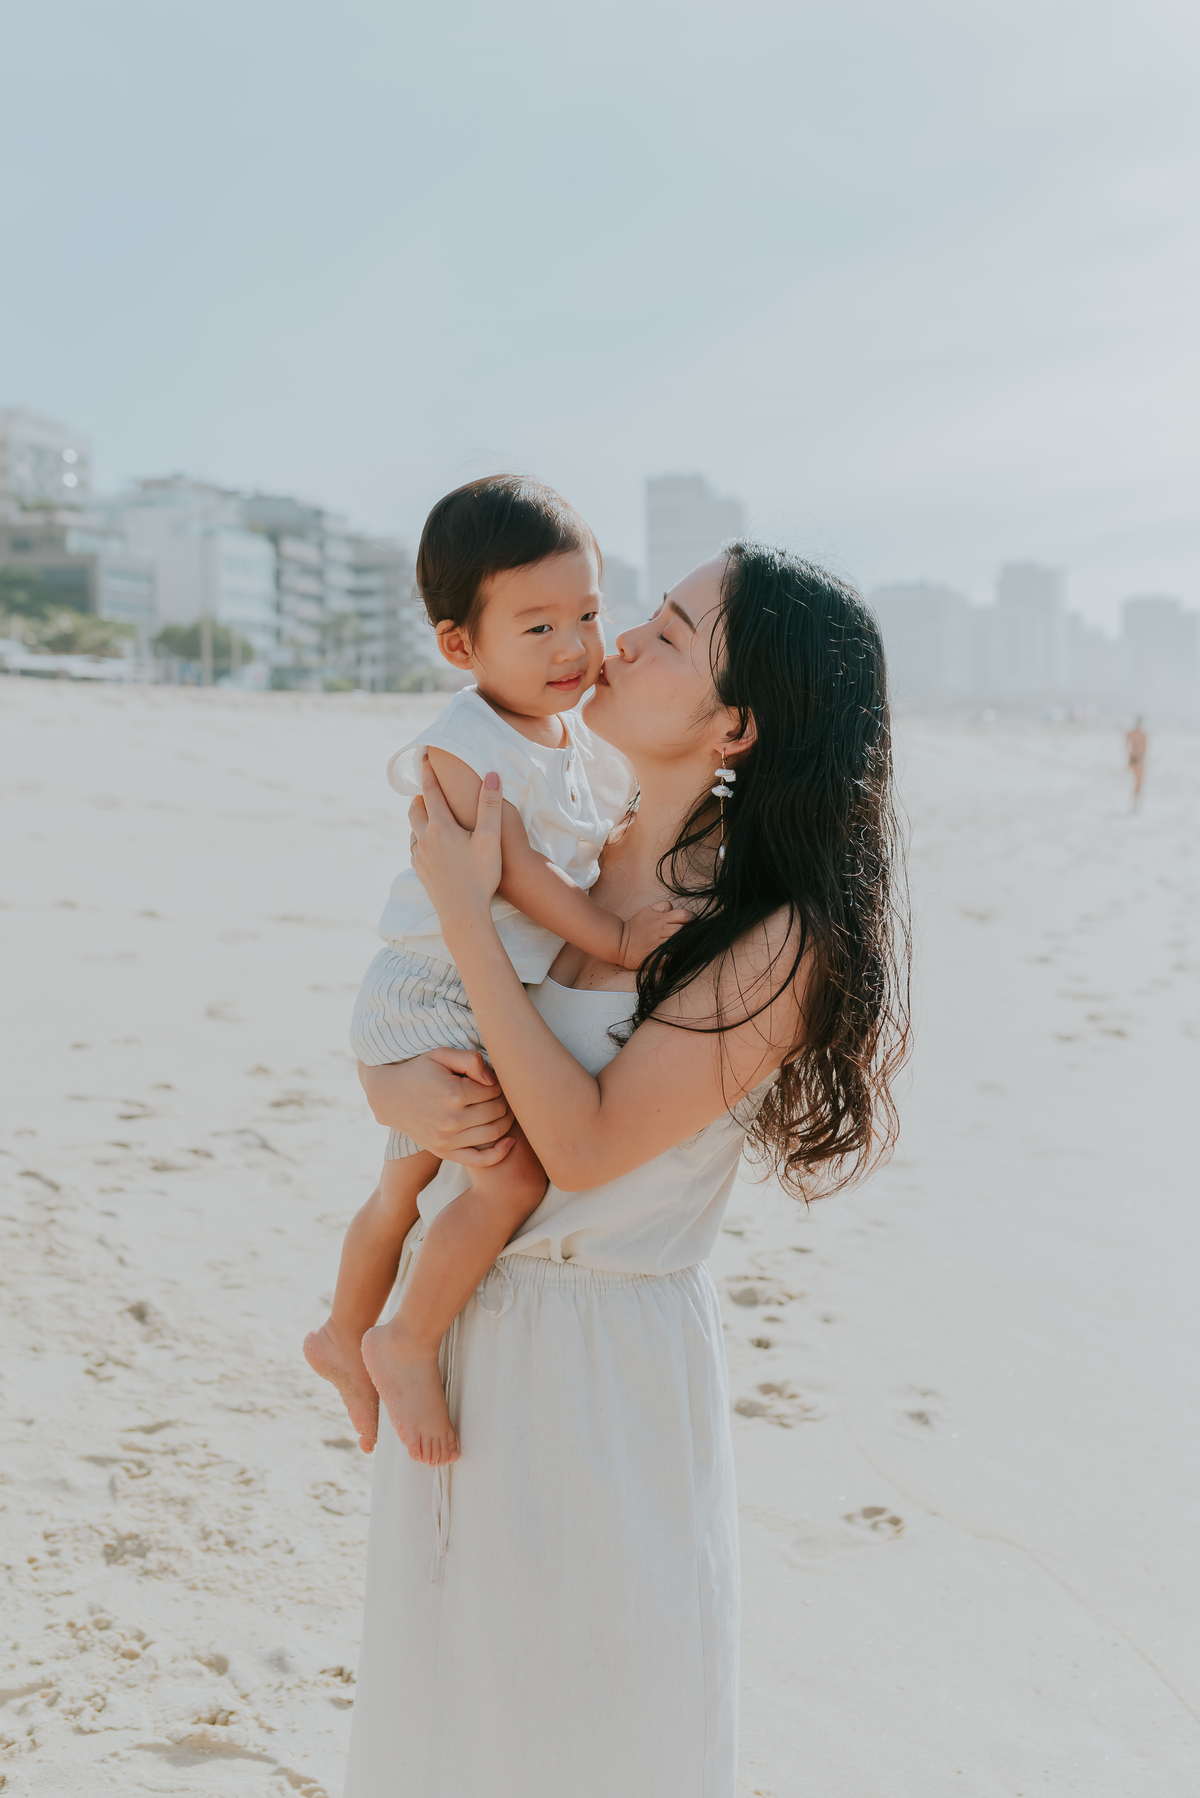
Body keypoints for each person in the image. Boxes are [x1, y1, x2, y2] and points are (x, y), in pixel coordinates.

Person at [344, 543, 910, 1798]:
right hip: (462, 1331)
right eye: (643, 613)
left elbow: (584, 1144)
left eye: (670, 631)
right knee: (448, 1717)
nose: (625, 640)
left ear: (737, 723)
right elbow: (421, 1058)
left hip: (603, 1369)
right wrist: (391, 1079)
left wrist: (463, 909)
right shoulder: (562, 851)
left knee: (592, 1731)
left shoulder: (774, 937)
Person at [303, 475, 687, 1463]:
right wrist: (611, 943)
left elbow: (598, 838)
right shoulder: (461, 747)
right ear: (459, 647)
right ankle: (405, 1338)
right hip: (430, 996)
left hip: (478, 996)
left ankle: (340, 1335)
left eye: (590, 615)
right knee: (505, 1182)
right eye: (539, 626)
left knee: (402, 1192)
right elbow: (510, 874)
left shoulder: (581, 743)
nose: (576, 648)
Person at [1126, 715, 1147, 808]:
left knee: (1136, 782)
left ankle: (1135, 804)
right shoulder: (1143, 735)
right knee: (1138, 783)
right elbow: (1144, 750)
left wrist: (1131, 754)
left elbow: (1127, 746)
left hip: (1132, 759)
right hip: (1138, 760)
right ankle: (1135, 804)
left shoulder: (1130, 733)